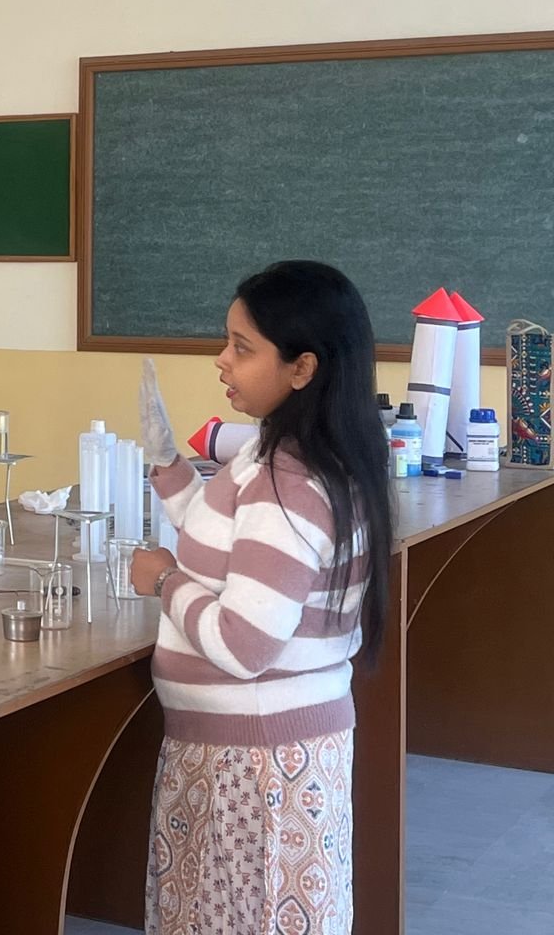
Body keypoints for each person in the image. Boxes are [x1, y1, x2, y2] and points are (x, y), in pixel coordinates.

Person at [132, 260, 394, 935]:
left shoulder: (289, 480)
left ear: (302, 368)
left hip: (254, 769)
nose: (222, 361)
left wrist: (164, 581)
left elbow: (244, 644)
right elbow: (232, 545)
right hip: (262, 750)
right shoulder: (281, 453)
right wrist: (169, 468)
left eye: (242, 349)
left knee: (248, 918)